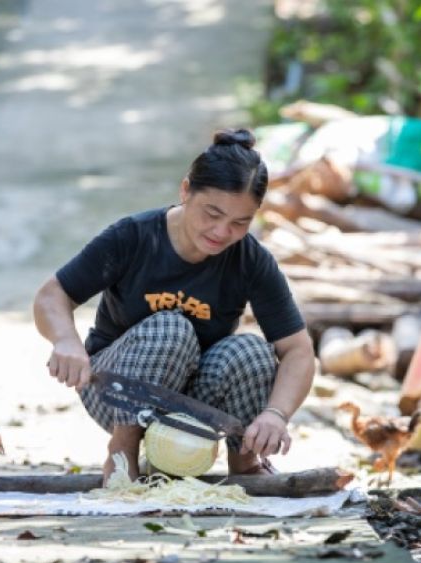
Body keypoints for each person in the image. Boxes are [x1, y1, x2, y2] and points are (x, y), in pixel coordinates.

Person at [33, 128, 315, 485]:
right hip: (115, 387)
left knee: (253, 350)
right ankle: (123, 453)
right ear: (185, 191)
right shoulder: (133, 237)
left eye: (239, 222)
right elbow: (52, 295)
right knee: (172, 328)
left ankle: (245, 462)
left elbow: (298, 350)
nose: (221, 232)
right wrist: (66, 341)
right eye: (211, 213)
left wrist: (277, 414)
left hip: (195, 402)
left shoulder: (251, 260)